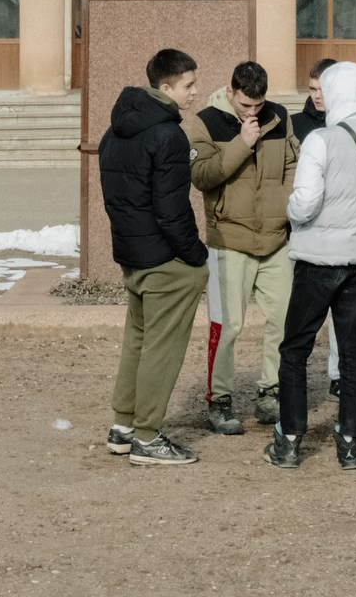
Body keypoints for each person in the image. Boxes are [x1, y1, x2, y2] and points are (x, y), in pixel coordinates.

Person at [265, 59, 356, 472]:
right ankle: (349, 444)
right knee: (352, 352)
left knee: (294, 349)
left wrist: (292, 211)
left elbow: (305, 202)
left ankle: (289, 439)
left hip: (315, 258)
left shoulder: (320, 140)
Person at [99, 47, 210, 466]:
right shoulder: (167, 134)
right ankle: (147, 437)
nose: (195, 92)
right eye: (188, 85)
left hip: (132, 254)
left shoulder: (115, 131)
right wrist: (196, 256)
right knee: (162, 348)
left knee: (138, 341)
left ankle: (124, 427)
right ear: (165, 88)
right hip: (165, 262)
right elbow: (172, 210)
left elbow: (117, 200)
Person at [189, 59, 298, 435]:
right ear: (230, 91)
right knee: (227, 324)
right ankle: (220, 400)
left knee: (284, 319)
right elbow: (202, 176)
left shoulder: (280, 117)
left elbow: (292, 167)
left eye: (258, 105)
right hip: (229, 241)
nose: (253, 112)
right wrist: (241, 143)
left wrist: (284, 204)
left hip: (275, 238)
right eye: (245, 105)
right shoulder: (205, 121)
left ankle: (270, 391)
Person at [289, 58, 340, 397]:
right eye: (312, 89)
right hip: (303, 230)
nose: (317, 96)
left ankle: (339, 374)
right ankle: (291, 372)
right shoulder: (293, 125)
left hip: (339, 232)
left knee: (342, 312)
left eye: (323, 89)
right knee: (296, 309)